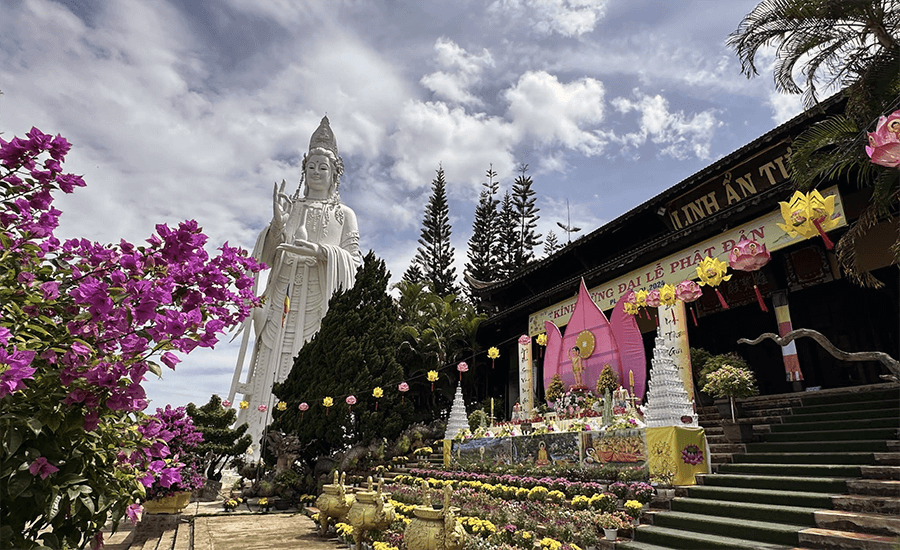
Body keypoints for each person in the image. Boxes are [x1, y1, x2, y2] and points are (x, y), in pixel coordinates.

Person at [230, 116, 363, 446]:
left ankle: (312, 444)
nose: (317, 173)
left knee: (313, 366)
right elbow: (263, 260)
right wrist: (277, 227)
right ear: (304, 170)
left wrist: (321, 252)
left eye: (324, 168)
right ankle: (252, 443)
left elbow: (356, 263)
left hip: (319, 299)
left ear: (335, 174)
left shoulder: (343, 215)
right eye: (312, 167)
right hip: (281, 300)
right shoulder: (289, 208)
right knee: (268, 367)